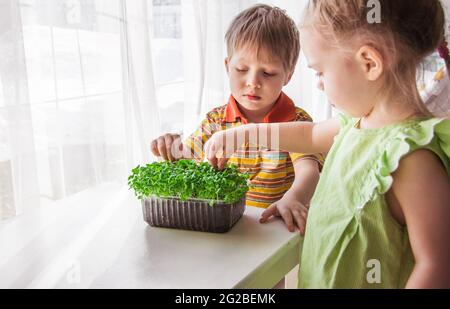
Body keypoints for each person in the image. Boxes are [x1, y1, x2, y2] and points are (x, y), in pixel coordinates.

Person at [205, 0, 450, 288]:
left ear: (369, 63)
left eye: (321, 71)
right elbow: (308, 136)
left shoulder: (410, 157)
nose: (319, 84)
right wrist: (242, 135)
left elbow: (437, 265)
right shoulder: (355, 125)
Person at [151, 4, 323, 234]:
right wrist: (169, 146)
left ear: (288, 75)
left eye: (268, 73)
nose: (253, 81)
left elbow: (308, 170)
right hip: (225, 227)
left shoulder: (296, 122)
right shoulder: (216, 120)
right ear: (227, 67)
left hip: (271, 228)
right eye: (241, 69)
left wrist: (294, 199)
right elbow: (185, 157)